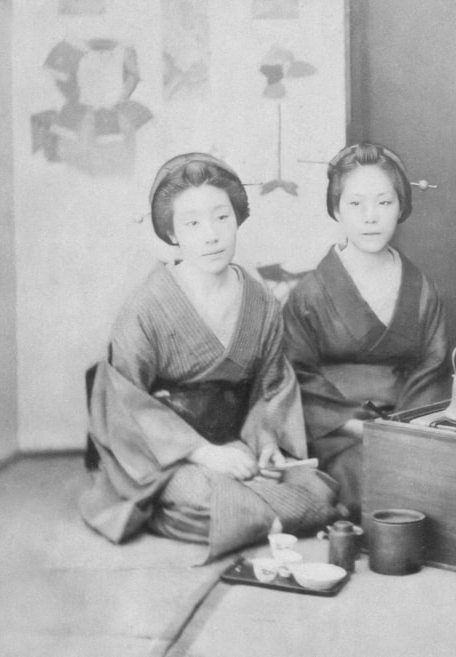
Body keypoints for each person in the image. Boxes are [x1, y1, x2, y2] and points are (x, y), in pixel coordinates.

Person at [80, 153, 342, 561]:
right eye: (192, 223)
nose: (211, 235)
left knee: (317, 491)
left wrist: (268, 442)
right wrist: (203, 453)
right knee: (210, 497)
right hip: (167, 456)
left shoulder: (261, 303)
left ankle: (250, 515)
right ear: (171, 232)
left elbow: (270, 388)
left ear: (238, 218)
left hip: (238, 444)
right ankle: (239, 512)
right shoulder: (148, 307)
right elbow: (123, 400)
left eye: (222, 217)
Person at [282, 143, 450, 518]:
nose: (370, 217)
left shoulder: (421, 289)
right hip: (334, 433)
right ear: (336, 209)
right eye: (356, 204)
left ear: (402, 206)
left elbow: (432, 368)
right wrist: (353, 424)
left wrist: (402, 431)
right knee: (367, 483)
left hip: (407, 427)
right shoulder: (310, 293)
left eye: (384, 203)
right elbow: (294, 375)